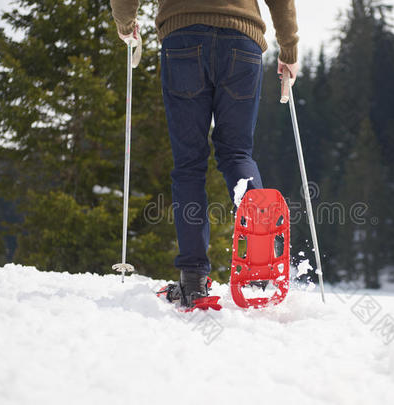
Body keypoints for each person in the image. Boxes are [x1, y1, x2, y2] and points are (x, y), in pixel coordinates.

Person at [110, 0, 300, 307]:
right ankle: (261, 267)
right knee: (237, 154)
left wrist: (125, 22)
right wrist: (288, 48)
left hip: (183, 36)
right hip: (243, 40)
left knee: (189, 163)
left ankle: (193, 281)